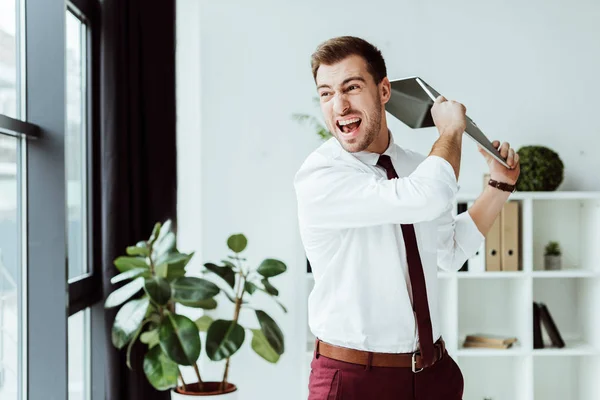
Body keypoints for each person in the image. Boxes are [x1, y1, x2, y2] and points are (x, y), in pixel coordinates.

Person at [293, 36, 520, 400]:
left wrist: (498, 186)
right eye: (326, 93)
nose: (340, 105)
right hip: (355, 380)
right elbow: (426, 198)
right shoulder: (321, 175)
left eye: (351, 87)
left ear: (384, 90)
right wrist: (449, 132)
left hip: (432, 374)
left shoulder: (417, 167)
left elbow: (449, 251)